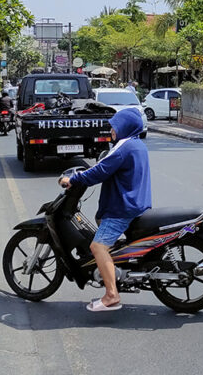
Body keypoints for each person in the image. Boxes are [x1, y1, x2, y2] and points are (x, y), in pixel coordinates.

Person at [58, 107, 151, 312]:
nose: (111, 131)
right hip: (135, 203)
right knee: (100, 224)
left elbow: (100, 170)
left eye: (114, 127)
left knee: (97, 247)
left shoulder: (124, 147)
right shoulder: (136, 144)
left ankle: (111, 295)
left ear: (124, 127)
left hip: (122, 208)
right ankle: (113, 267)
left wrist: (72, 179)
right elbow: (106, 166)